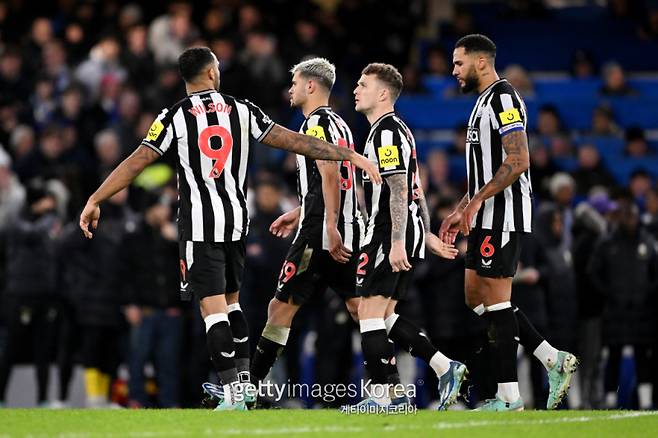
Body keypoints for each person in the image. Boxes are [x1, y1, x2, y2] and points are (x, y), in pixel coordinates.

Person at [79, 47, 381, 412]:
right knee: (233, 305)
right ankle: (244, 387)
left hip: (199, 227)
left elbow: (138, 160)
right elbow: (296, 141)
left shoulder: (173, 117)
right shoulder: (243, 109)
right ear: (210, 73)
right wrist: (347, 154)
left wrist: (95, 198)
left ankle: (235, 393)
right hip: (236, 224)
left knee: (212, 310)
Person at [439, 34, 577, 411]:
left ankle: (509, 397)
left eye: (458, 63)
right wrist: (461, 207)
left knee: (498, 303)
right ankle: (552, 358)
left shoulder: (503, 97)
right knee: (474, 296)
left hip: (504, 215)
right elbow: (485, 170)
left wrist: (477, 203)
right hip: (483, 213)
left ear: (481, 62)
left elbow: (518, 161)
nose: (453, 71)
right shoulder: (481, 102)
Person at [349, 63, 463, 412]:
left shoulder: (385, 132)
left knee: (367, 313)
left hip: (388, 231)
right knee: (383, 317)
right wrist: (424, 235)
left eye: (363, 84)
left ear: (383, 94)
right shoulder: (395, 131)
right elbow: (417, 190)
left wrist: (399, 239)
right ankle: (445, 367)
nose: (356, 90)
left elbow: (400, 189)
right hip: (399, 229)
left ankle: (387, 397)